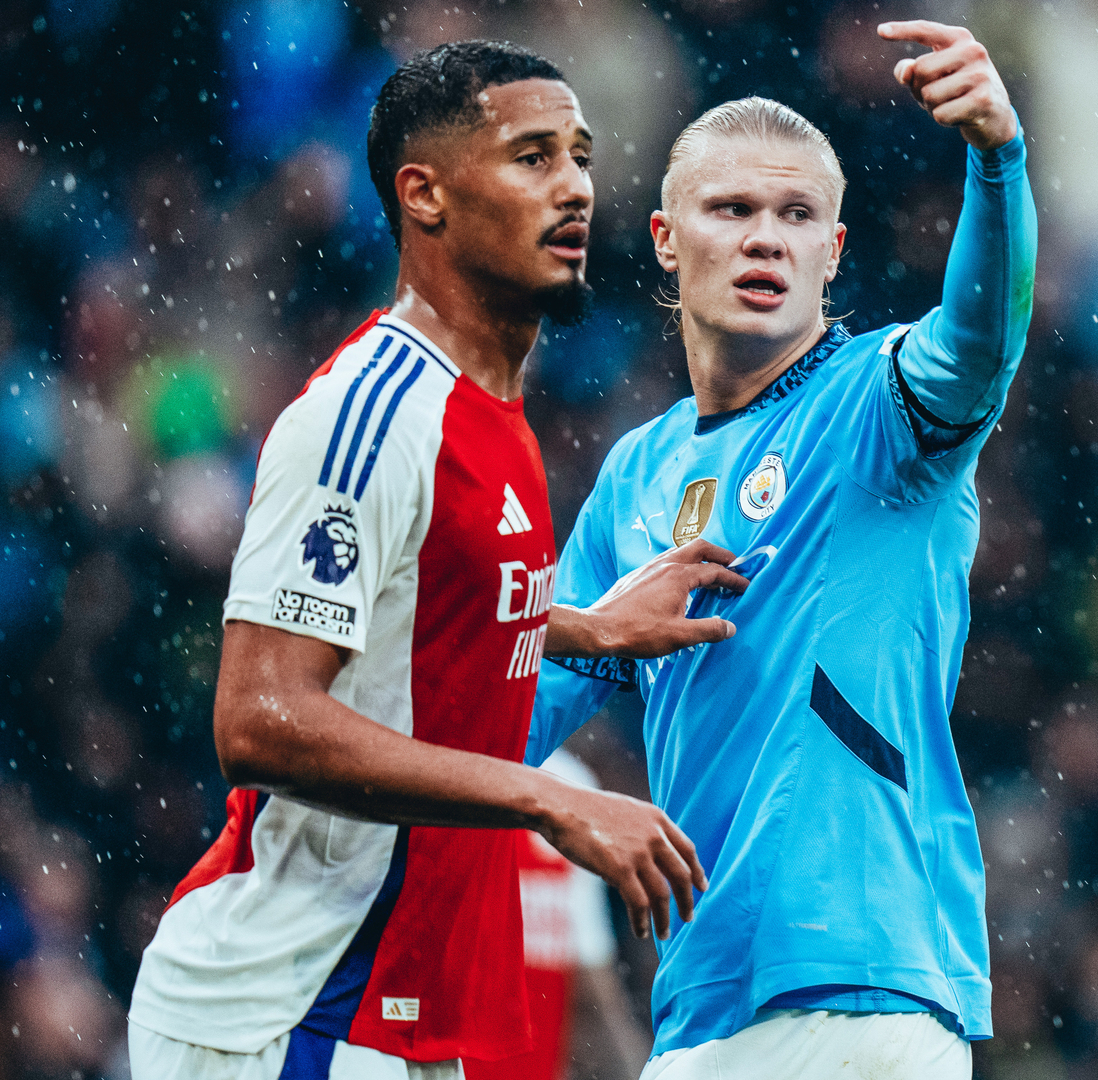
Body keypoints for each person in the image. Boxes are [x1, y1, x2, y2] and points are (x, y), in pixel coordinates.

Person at [127, 41, 746, 1080]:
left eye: (581, 157)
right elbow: (259, 716)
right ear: (425, 195)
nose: (574, 187)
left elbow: (421, 600)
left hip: (398, 1017)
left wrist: (590, 628)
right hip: (287, 1008)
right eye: (533, 157)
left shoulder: (495, 413)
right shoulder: (369, 416)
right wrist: (548, 797)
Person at [528, 19, 1036, 1079]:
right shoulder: (636, 472)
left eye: (797, 215)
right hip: (704, 999)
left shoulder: (875, 410)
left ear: (832, 253)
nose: (767, 238)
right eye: (733, 209)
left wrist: (997, 162)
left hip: (860, 985)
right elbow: (519, 711)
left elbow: (977, 346)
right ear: (666, 239)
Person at [464, 749, 650, 1080]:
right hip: (457, 1046)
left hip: (528, 1053)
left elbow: (590, 964)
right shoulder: (448, 770)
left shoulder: (570, 783)